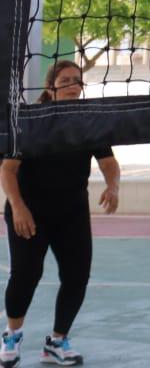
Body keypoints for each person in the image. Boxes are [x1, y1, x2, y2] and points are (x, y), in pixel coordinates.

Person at [0, 61, 120, 368]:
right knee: (26, 275)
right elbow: (8, 170)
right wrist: (18, 206)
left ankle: (56, 342)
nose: (72, 85)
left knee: (77, 277)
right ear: (50, 87)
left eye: (77, 81)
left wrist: (113, 186)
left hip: (72, 212)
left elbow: (108, 162)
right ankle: (12, 336)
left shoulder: (88, 122)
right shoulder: (30, 121)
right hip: (29, 211)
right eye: (65, 80)